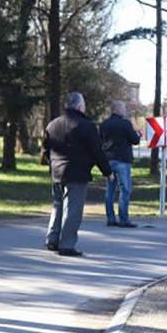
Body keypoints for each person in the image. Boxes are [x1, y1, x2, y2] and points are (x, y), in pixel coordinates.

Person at [43, 92, 113, 257]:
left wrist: (52, 163)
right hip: (77, 172)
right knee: (73, 209)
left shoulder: (52, 124)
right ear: (79, 106)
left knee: (58, 206)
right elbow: (97, 152)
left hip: (57, 172)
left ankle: (52, 239)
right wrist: (108, 172)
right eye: (84, 104)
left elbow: (46, 150)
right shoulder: (86, 126)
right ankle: (66, 245)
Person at [100, 100, 141, 228]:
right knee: (125, 189)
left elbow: (100, 141)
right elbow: (135, 140)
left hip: (108, 160)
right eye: (124, 107)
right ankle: (123, 219)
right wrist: (139, 134)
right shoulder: (125, 124)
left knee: (110, 190)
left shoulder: (104, 125)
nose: (125, 110)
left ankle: (111, 218)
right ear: (117, 109)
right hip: (122, 160)